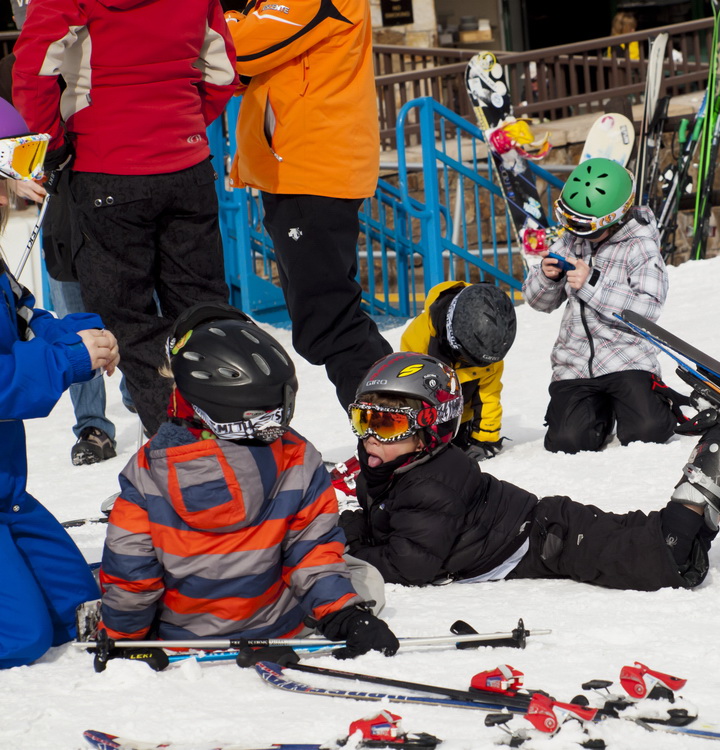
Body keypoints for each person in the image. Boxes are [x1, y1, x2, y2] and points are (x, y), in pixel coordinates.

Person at [338, 352, 720, 591]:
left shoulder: (431, 481)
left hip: (545, 542)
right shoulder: (396, 468)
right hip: (546, 529)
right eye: (364, 419)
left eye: (388, 422)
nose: (370, 436)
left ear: (431, 430)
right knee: (657, 548)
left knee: (652, 560)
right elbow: (390, 522)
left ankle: (716, 471)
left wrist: (344, 548)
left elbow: (412, 563)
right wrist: (351, 525)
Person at [99, 303, 398, 660]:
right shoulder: (298, 456)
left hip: (185, 634)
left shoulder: (147, 472)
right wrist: (344, 614)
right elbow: (311, 551)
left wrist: (125, 639)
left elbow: (132, 571)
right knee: (364, 576)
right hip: (277, 626)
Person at [12, 0, 239, 438]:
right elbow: (221, 71)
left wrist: (55, 143)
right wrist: (183, 122)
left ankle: (184, 454)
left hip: (106, 163)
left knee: (130, 324)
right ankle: (236, 436)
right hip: (185, 161)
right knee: (204, 313)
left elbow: (33, 69)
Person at [224, 0, 392, 414]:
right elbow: (239, 70)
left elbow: (237, 49)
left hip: (311, 168)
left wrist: (226, 12)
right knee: (330, 314)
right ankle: (404, 424)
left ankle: (399, 429)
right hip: (297, 167)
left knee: (329, 320)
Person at [0, 98, 120, 668]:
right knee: (19, 639)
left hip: (6, 491)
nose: (21, 186)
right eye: (11, 168)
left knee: (73, 608)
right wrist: (67, 361)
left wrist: (83, 335)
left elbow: (26, 319)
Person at [522, 157, 684, 454]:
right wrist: (546, 278)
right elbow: (536, 302)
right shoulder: (572, 239)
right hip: (575, 363)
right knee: (566, 442)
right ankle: (600, 411)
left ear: (615, 217)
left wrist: (592, 283)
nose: (576, 233)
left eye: (586, 227)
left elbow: (647, 309)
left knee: (648, 431)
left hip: (626, 358)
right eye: (571, 223)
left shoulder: (641, 246)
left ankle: (641, 402)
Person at [399, 281, 517, 461]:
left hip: (462, 419)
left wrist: (485, 441)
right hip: (426, 419)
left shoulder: (491, 343)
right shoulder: (419, 337)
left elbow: (488, 396)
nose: (477, 365)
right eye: (470, 359)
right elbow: (407, 392)